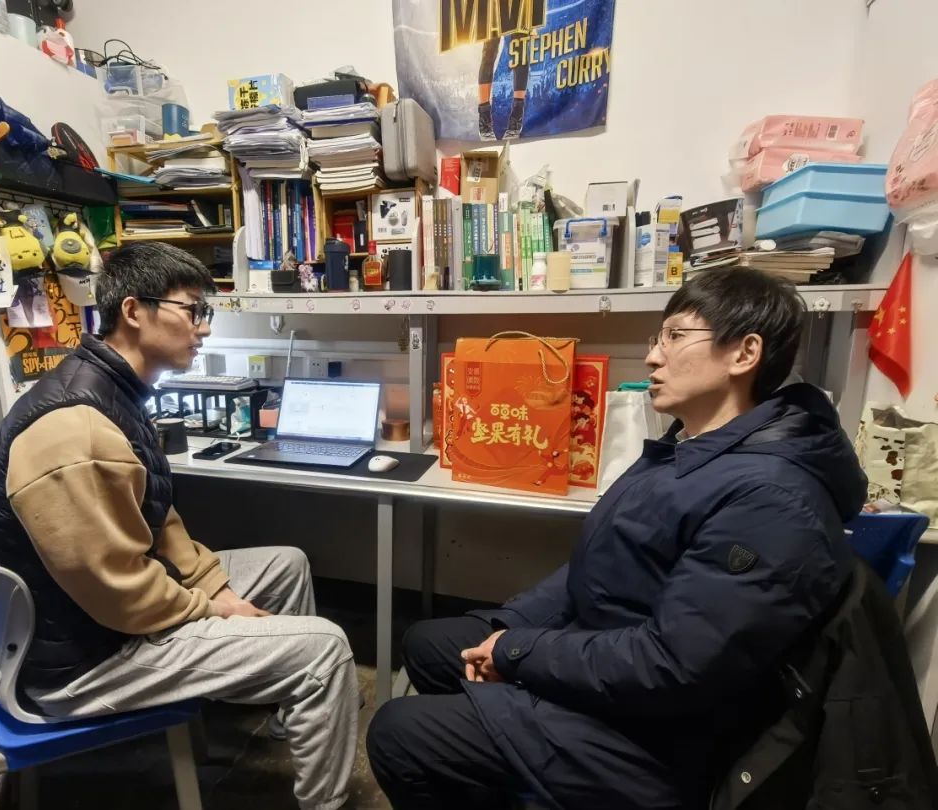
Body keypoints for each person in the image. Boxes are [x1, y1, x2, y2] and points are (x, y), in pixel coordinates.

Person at [367, 266, 867, 809]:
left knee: (400, 732)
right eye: (658, 338)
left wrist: (517, 653)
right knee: (430, 644)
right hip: (612, 656)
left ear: (744, 353)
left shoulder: (770, 500)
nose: (652, 356)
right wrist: (511, 627)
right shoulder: (691, 447)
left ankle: (505, 755)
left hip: (653, 740)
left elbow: (674, 665)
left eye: (675, 336)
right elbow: (598, 566)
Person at [0, 242, 357, 810]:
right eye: (193, 310)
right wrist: (210, 608)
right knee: (326, 649)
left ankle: (291, 712)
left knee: (286, 563)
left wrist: (214, 587)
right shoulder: (74, 427)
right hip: (87, 660)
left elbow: (159, 520)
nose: (203, 328)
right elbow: (117, 591)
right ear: (134, 311)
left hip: (109, 618)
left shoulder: (116, 392)